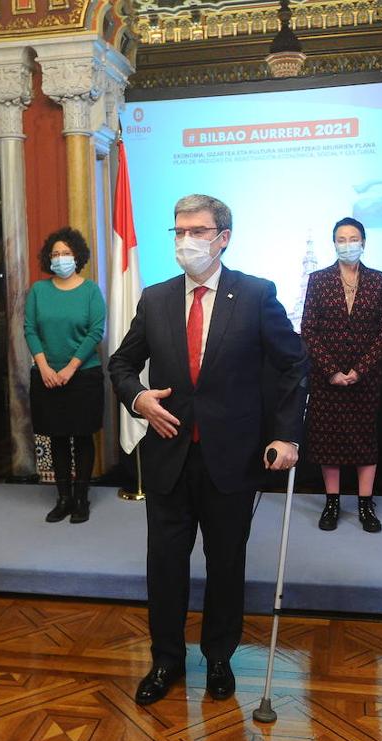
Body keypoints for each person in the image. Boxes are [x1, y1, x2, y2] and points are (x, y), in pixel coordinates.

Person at [109, 194, 309, 705]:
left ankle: (219, 657)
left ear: (223, 237)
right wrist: (139, 398)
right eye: (178, 232)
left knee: (226, 563)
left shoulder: (257, 294)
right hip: (168, 457)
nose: (185, 241)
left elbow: (292, 365)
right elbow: (121, 364)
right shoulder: (154, 299)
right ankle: (166, 661)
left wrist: (286, 434)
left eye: (196, 231)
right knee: (166, 565)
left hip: (232, 459)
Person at [301, 217, 382, 532]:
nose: (347, 244)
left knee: (364, 441)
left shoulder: (378, 280)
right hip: (327, 379)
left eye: (353, 238)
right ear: (334, 244)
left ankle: (366, 505)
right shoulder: (318, 280)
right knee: (330, 443)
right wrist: (332, 371)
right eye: (341, 239)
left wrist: (359, 370)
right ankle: (332, 502)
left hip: (365, 380)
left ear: (363, 243)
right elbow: (309, 330)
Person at [24, 227, 107, 524]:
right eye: (55, 254)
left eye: (66, 253)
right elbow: (30, 329)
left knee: (83, 437)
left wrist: (70, 368)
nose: (60, 259)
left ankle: (82, 499)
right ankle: (63, 499)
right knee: (56, 438)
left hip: (83, 376)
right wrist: (45, 368)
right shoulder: (38, 290)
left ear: (78, 256)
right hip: (46, 376)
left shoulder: (90, 290)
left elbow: (95, 331)